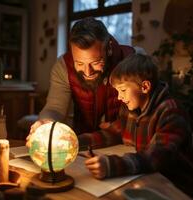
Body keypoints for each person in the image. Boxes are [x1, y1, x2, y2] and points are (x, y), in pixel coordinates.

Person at [78, 54, 193, 197]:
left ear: (145, 87)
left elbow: (155, 158)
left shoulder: (171, 111)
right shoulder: (130, 109)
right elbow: (113, 133)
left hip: (177, 187)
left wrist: (111, 165)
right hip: (147, 179)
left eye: (123, 90)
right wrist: (75, 142)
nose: (119, 97)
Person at [26, 17, 134, 145]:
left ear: (109, 48)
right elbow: (55, 108)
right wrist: (46, 123)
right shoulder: (63, 67)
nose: (88, 72)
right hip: (83, 144)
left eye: (96, 62)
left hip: (124, 143)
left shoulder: (132, 60)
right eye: (79, 63)